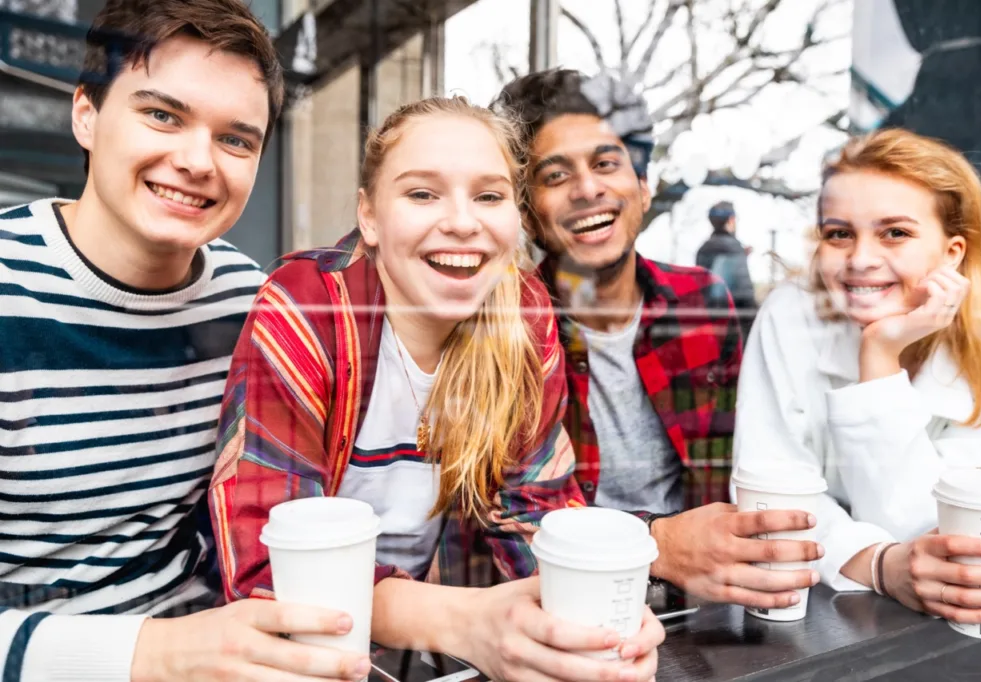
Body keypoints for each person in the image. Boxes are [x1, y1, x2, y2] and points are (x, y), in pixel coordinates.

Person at [209, 96, 663, 682]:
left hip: (434, 645)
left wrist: (585, 625)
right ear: (369, 217)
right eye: (422, 194)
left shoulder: (524, 314)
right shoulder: (306, 305)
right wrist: (466, 623)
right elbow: (269, 569)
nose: (462, 222)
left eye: (489, 196)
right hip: (298, 657)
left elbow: (534, 508)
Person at [0, 1, 377, 680]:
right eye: (162, 115)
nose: (198, 160)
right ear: (85, 114)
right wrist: (159, 655)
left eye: (236, 139)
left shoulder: (248, 300)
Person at [492, 69, 823, 612]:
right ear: (528, 215)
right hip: (568, 603)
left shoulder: (702, 302)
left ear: (642, 186)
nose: (588, 189)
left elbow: (750, 459)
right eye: (555, 176)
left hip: (712, 604)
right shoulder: (506, 330)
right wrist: (656, 544)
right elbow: (505, 522)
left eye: (606, 164)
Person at [734, 128, 981, 625]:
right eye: (839, 233)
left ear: (953, 253)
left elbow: (937, 536)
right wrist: (878, 564)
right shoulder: (791, 316)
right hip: (816, 618)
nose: (861, 259)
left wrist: (880, 356)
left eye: (895, 232)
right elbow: (770, 497)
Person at [696, 201, 757, 338]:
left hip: (710, 326)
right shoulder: (734, 249)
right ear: (731, 220)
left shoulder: (703, 249)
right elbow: (744, 297)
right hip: (734, 330)